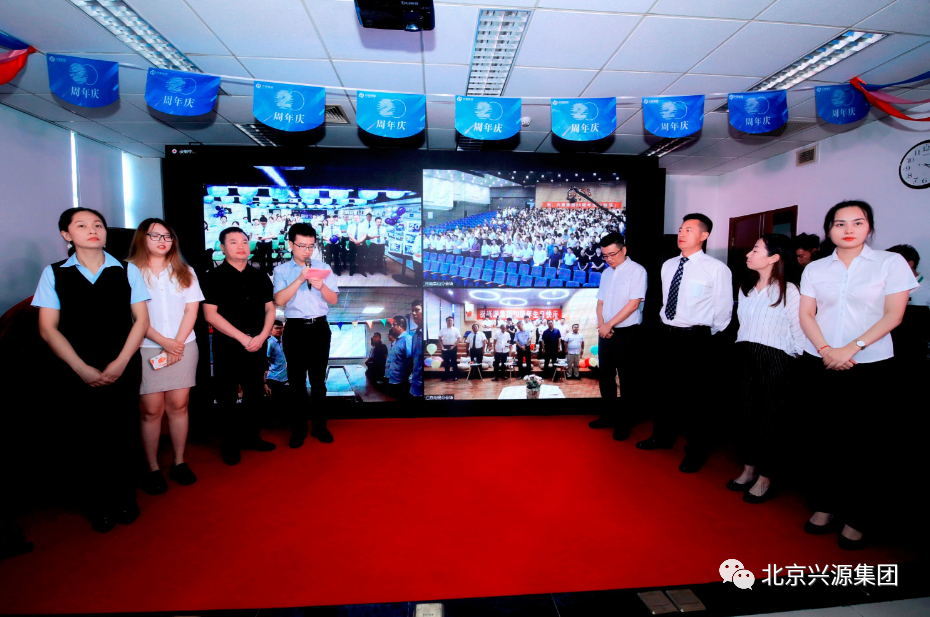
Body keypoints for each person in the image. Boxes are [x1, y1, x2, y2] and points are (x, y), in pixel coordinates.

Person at [798, 200, 916, 549]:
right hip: (821, 362)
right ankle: (825, 505)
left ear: (869, 227)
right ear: (829, 229)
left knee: (866, 444)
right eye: (839, 223)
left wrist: (850, 348)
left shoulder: (890, 263)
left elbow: (894, 315)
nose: (848, 229)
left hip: (871, 366)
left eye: (857, 222)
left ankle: (858, 516)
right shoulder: (816, 268)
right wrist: (826, 350)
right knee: (823, 438)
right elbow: (806, 314)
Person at [33, 208, 150, 532]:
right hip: (76, 366)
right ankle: (99, 504)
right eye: (82, 225)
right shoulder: (54, 273)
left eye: (98, 224)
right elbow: (47, 328)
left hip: (123, 362)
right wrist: (80, 367)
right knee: (86, 434)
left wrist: (121, 361)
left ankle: (125, 497)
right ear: (66, 235)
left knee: (123, 430)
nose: (92, 229)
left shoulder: (127, 270)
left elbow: (141, 321)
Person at [637, 213, 732, 473]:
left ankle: (696, 451)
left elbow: (723, 311)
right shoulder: (668, 265)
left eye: (689, 229)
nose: (681, 233)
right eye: (680, 229)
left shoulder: (716, 268)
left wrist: (704, 335)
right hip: (667, 334)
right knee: (664, 391)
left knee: (695, 399)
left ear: (704, 235)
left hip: (696, 338)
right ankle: (662, 437)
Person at [727, 234, 805, 504]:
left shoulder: (790, 290)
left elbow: (799, 330)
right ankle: (749, 468)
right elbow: (742, 325)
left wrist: (792, 358)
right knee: (747, 415)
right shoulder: (746, 287)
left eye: (756, 250)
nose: (748, 254)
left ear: (775, 257)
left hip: (775, 358)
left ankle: (766, 476)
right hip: (744, 354)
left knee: (771, 419)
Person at [127, 218, 202, 495]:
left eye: (167, 236)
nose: (163, 241)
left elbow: (191, 310)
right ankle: (152, 467)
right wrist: (164, 343)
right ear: (142, 238)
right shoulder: (129, 271)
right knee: (151, 410)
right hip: (146, 347)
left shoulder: (185, 270)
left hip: (184, 345)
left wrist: (177, 344)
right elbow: (134, 315)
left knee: (179, 406)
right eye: (155, 235)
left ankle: (179, 461)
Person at [202, 227, 277, 466]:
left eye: (244, 241)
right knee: (227, 396)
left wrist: (263, 336)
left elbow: (270, 308)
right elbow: (210, 315)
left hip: (258, 344)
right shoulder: (212, 277)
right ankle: (229, 444)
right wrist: (243, 339)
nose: (241, 246)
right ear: (222, 248)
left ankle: (252, 436)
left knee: (254, 394)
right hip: (228, 346)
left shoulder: (260, 276)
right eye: (233, 242)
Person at [273, 223, 339, 447]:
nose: (307, 251)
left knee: (319, 381)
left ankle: (320, 425)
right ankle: (298, 428)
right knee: (296, 381)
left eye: (311, 246)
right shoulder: (282, 270)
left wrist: (321, 287)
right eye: (302, 246)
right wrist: (300, 279)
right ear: (291, 245)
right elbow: (280, 300)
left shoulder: (324, 267)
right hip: (295, 329)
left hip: (319, 328)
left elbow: (333, 299)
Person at [592, 232, 647, 440]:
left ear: (624, 250)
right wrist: (602, 325)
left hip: (626, 333)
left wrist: (609, 325)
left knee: (627, 380)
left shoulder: (637, 271)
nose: (609, 259)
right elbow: (600, 302)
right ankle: (608, 416)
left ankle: (624, 423)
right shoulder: (606, 273)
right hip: (605, 332)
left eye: (612, 254)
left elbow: (633, 305)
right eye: (605, 256)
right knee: (605, 377)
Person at [386, 317, 413, 399]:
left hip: (401, 382)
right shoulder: (397, 340)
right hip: (393, 380)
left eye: (393, 325)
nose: (392, 327)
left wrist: (405, 380)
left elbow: (411, 361)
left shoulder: (407, 339)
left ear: (400, 326)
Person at [265, 320, 288, 406]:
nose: (278, 330)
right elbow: (265, 360)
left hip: (284, 377)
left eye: (280, 328)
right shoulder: (270, 343)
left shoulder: (284, 341)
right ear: (271, 329)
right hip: (273, 377)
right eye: (276, 328)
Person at [438, 316, 462, 381]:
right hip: (445, 347)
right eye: (448, 320)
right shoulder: (442, 330)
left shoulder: (456, 330)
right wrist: (441, 346)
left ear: (453, 322)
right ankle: (447, 376)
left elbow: (459, 339)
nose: (450, 322)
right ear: (446, 322)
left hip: (453, 347)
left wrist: (454, 346)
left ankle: (455, 376)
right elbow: (439, 339)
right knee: (446, 362)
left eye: (451, 320)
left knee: (454, 362)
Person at [410, 301, 424, 398]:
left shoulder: (427, 334)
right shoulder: (414, 335)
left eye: (417, 310)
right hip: (414, 386)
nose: (414, 313)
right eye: (412, 311)